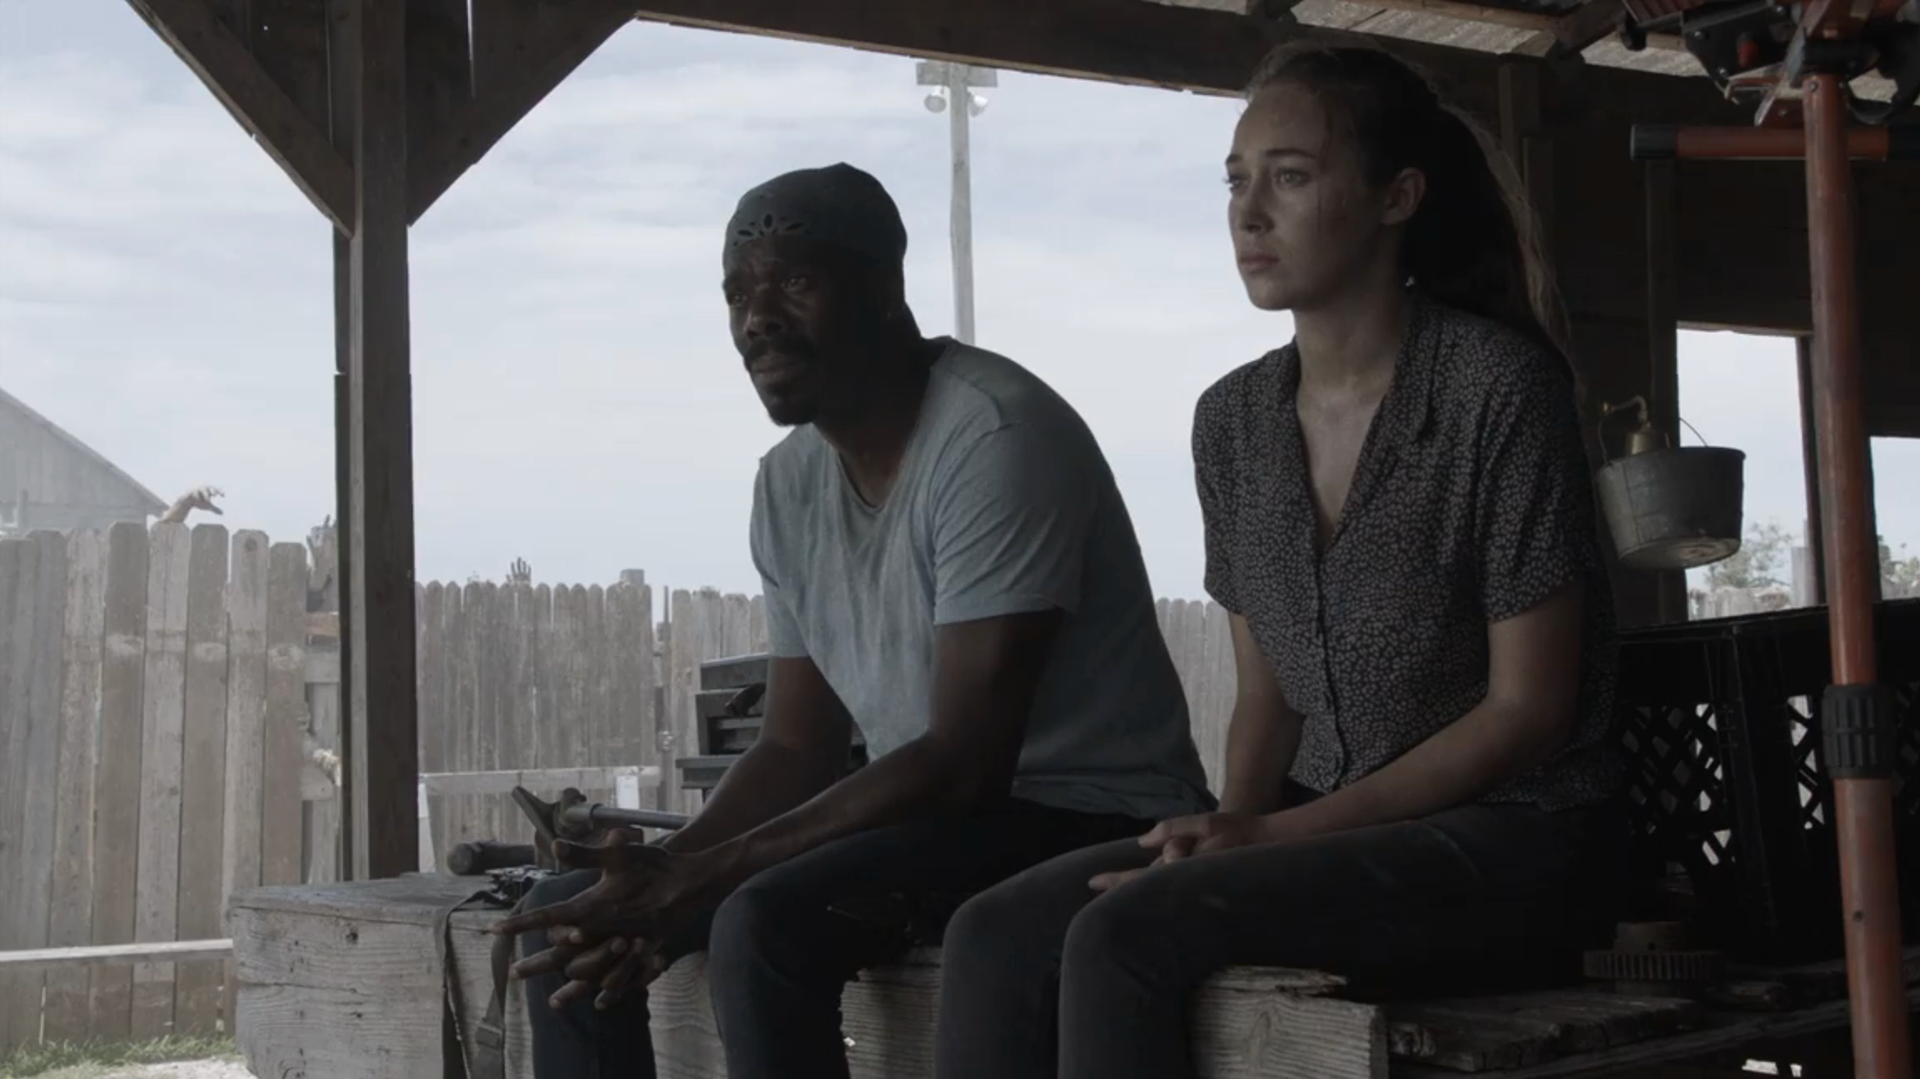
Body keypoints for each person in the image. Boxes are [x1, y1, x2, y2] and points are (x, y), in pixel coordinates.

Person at [931, 42, 1628, 1079]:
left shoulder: (1498, 392)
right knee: (992, 930)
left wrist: (1273, 839)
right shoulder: (1233, 421)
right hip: (1317, 832)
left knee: (1126, 932)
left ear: (1397, 197)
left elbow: (1528, 710)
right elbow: (1269, 697)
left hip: (1514, 839)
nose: (1249, 214)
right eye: (1236, 181)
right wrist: (1225, 826)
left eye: (1290, 177)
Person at [494, 162, 1215, 1079]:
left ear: (884, 290)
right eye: (737, 295)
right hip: (933, 816)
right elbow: (796, 747)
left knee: (763, 919)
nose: (758, 319)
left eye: (795, 281)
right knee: (567, 912)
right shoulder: (786, 483)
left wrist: (706, 876)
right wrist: (658, 875)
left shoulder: (996, 436)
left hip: (1090, 813)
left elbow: (966, 763)